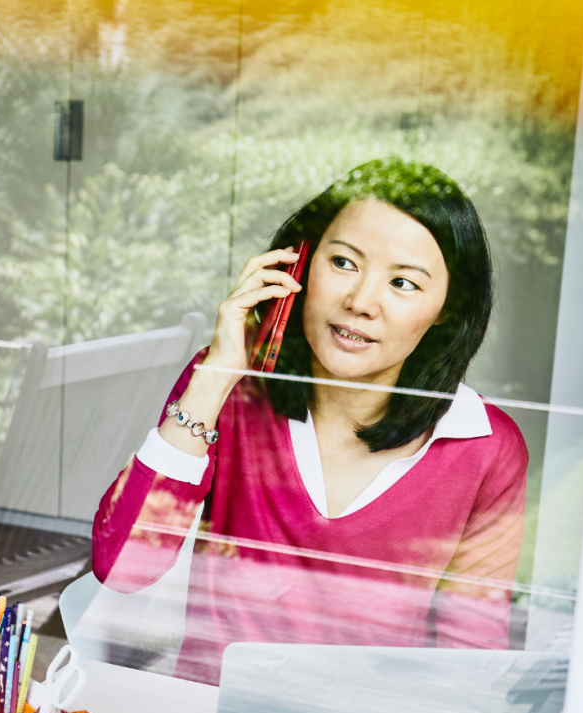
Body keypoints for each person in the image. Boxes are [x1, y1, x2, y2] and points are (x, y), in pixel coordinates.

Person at [91, 158, 528, 685]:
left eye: (404, 284)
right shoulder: (228, 385)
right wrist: (217, 375)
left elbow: (468, 664)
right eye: (343, 262)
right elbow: (122, 570)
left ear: (447, 311)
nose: (361, 302)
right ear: (298, 264)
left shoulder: (484, 447)